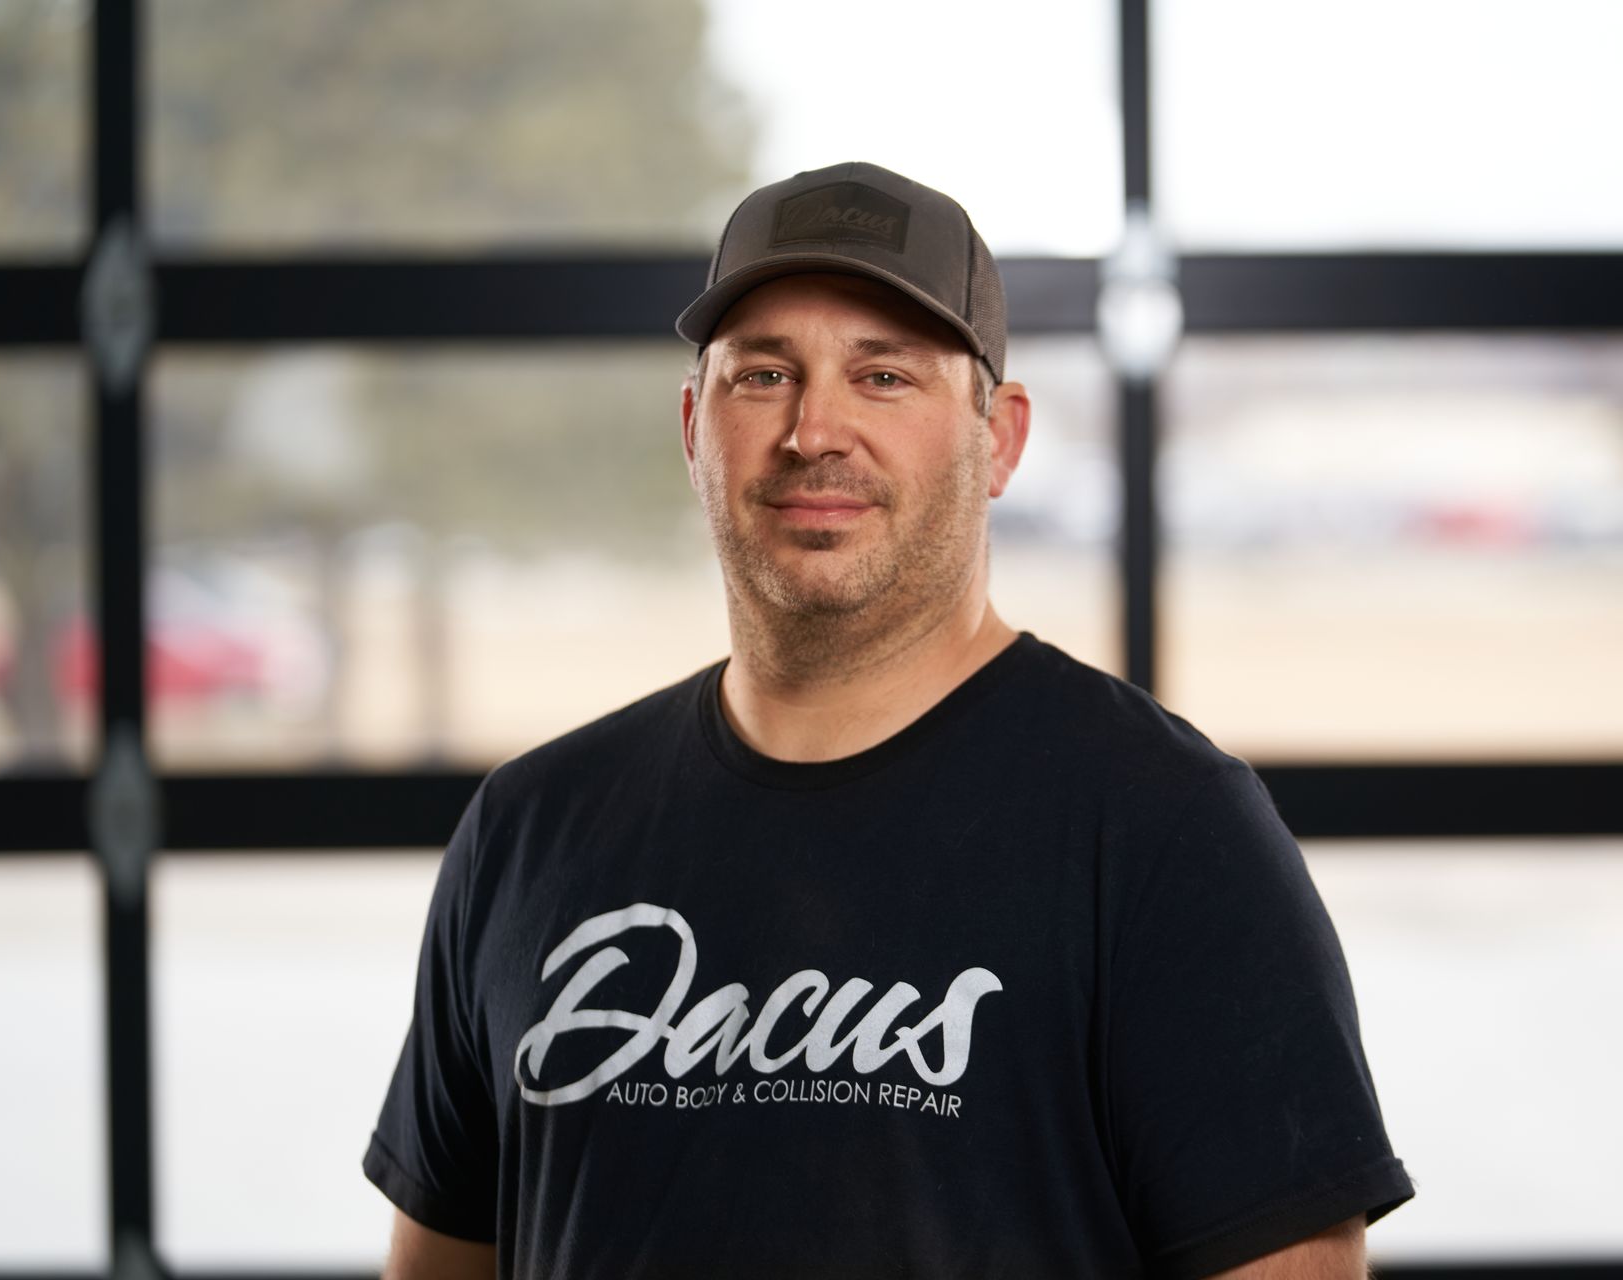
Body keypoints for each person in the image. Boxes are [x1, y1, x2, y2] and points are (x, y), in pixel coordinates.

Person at [363, 161, 1413, 1279]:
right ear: (692, 427)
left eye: (885, 377)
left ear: (999, 438)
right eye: (764, 374)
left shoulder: (1165, 829)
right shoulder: (530, 830)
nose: (816, 430)